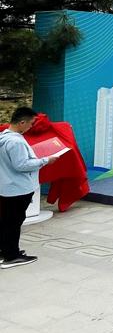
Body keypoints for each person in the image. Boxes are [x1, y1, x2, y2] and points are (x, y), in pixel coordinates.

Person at [0, 107, 60, 269]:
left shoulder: (4, 137)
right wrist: (45, 160)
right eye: (31, 123)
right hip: (18, 188)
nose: (31, 127)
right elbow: (21, 165)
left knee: (6, 221)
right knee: (13, 222)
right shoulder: (16, 141)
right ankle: (11, 257)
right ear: (21, 122)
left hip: (7, 187)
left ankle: (5, 251)